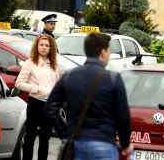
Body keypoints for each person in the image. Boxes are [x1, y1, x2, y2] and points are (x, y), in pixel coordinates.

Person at [45, 32, 133, 160]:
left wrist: (66, 133)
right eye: (109, 51)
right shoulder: (113, 79)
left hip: (76, 143)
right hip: (104, 144)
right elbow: (123, 117)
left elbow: (50, 108)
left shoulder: (69, 76)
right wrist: (125, 144)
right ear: (103, 52)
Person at [15, 34, 60, 160]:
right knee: (30, 137)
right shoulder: (29, 63)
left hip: (49, 105)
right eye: (41, 45)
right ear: (37, 46)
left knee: (45, 139)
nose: (44, 47)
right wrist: (37, 89)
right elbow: (19, 83)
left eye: (47, 45)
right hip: (35, 103)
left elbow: (56, 84)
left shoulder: (53, 64)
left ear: (51, 48)